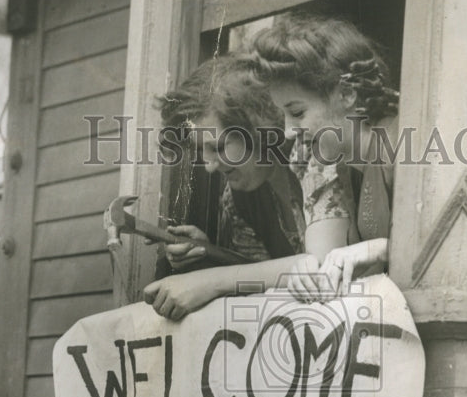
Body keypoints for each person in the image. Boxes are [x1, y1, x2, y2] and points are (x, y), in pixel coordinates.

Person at [143, 55, 347, 321]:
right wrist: (210, 255)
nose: (209, 166)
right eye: (200, 150)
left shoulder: (313, 152)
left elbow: (322, 266)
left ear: (257, 129)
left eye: (217, 147)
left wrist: (209, 280)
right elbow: (259, 278)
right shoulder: (237, 194)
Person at [252, 14, 401, 302]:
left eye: (297, 113)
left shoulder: (400, 143)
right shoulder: (355, 165)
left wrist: (378, 248)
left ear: (346, 94)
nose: (288, 132)